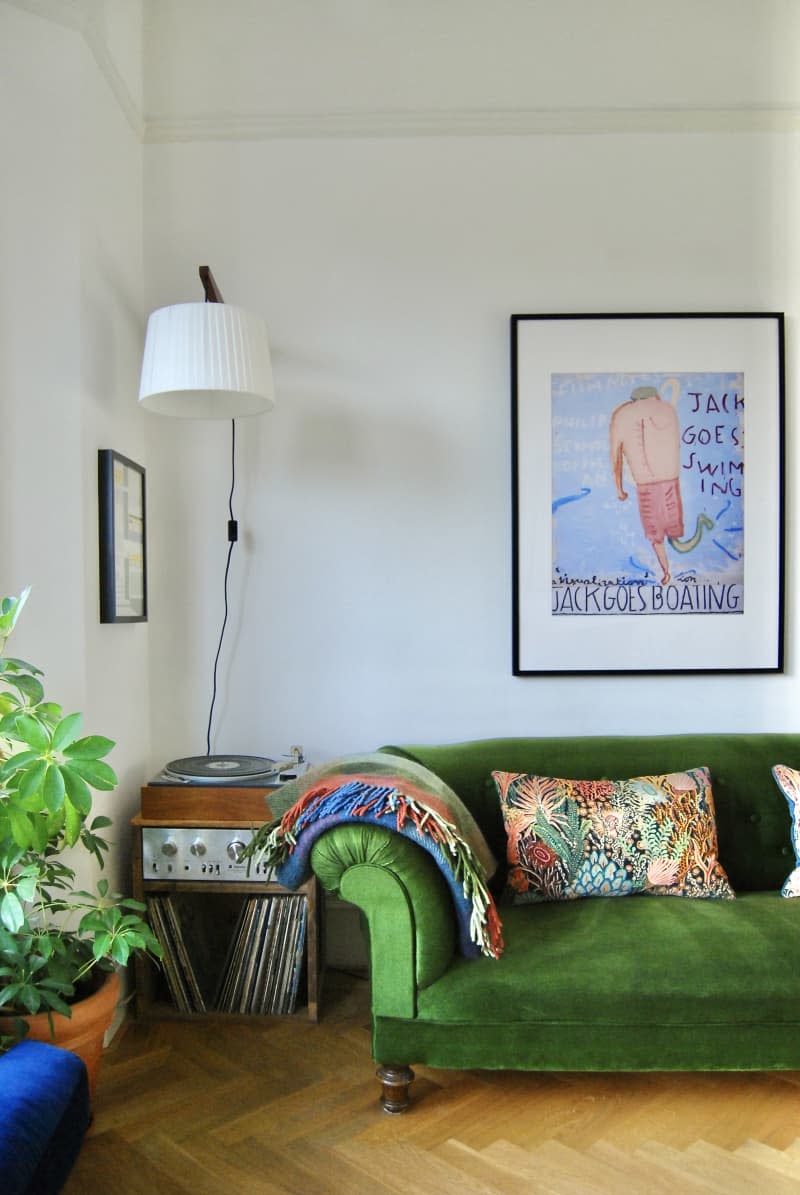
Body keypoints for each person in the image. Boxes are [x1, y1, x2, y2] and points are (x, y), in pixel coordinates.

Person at [610, 383, 684, 585]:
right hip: (670, 480)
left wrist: (619, 488)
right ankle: (668, 567)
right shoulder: (667, 410)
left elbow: (616, 455)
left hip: (646, 485)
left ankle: (666, 571)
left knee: (657, 537)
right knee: (672, 535)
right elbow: (676, 446)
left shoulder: (622, 414)